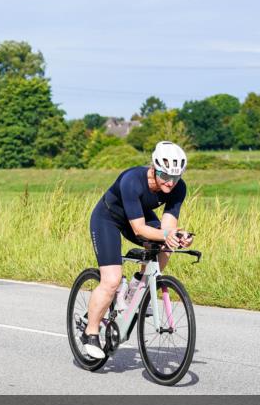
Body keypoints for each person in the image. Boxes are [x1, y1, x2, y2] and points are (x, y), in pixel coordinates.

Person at [82, 141, 193, 358]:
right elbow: (139, 229)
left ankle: (136, 287)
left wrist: (177, 237)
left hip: (138, 216)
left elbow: (168, 227)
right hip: (108, 219)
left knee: (166, 247)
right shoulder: (132, 180)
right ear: (154, 168)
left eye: (176, 176)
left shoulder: (179, 188)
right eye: (165, 175)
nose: (171, 182)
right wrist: (166, 235)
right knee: (111, 280)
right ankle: (90, 332)